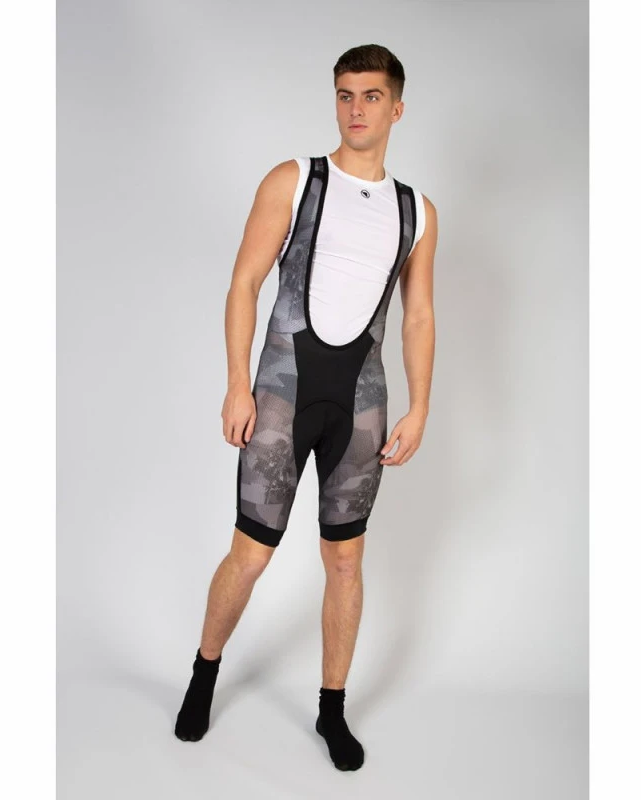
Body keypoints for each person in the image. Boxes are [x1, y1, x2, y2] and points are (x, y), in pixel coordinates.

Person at [175, 43, 437, 772]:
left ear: (397, 108)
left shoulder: (416, 211)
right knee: (251, 553)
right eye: (346, 94)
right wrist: (237, 383)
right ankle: (204, 673)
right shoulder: (295, 180)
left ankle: (332, 708)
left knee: (346, 560)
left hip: (361, 404)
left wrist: (420, 407)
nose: (356, 109)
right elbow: (244, 282)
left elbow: (418, 317)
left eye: (371, 96)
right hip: (282, 396)